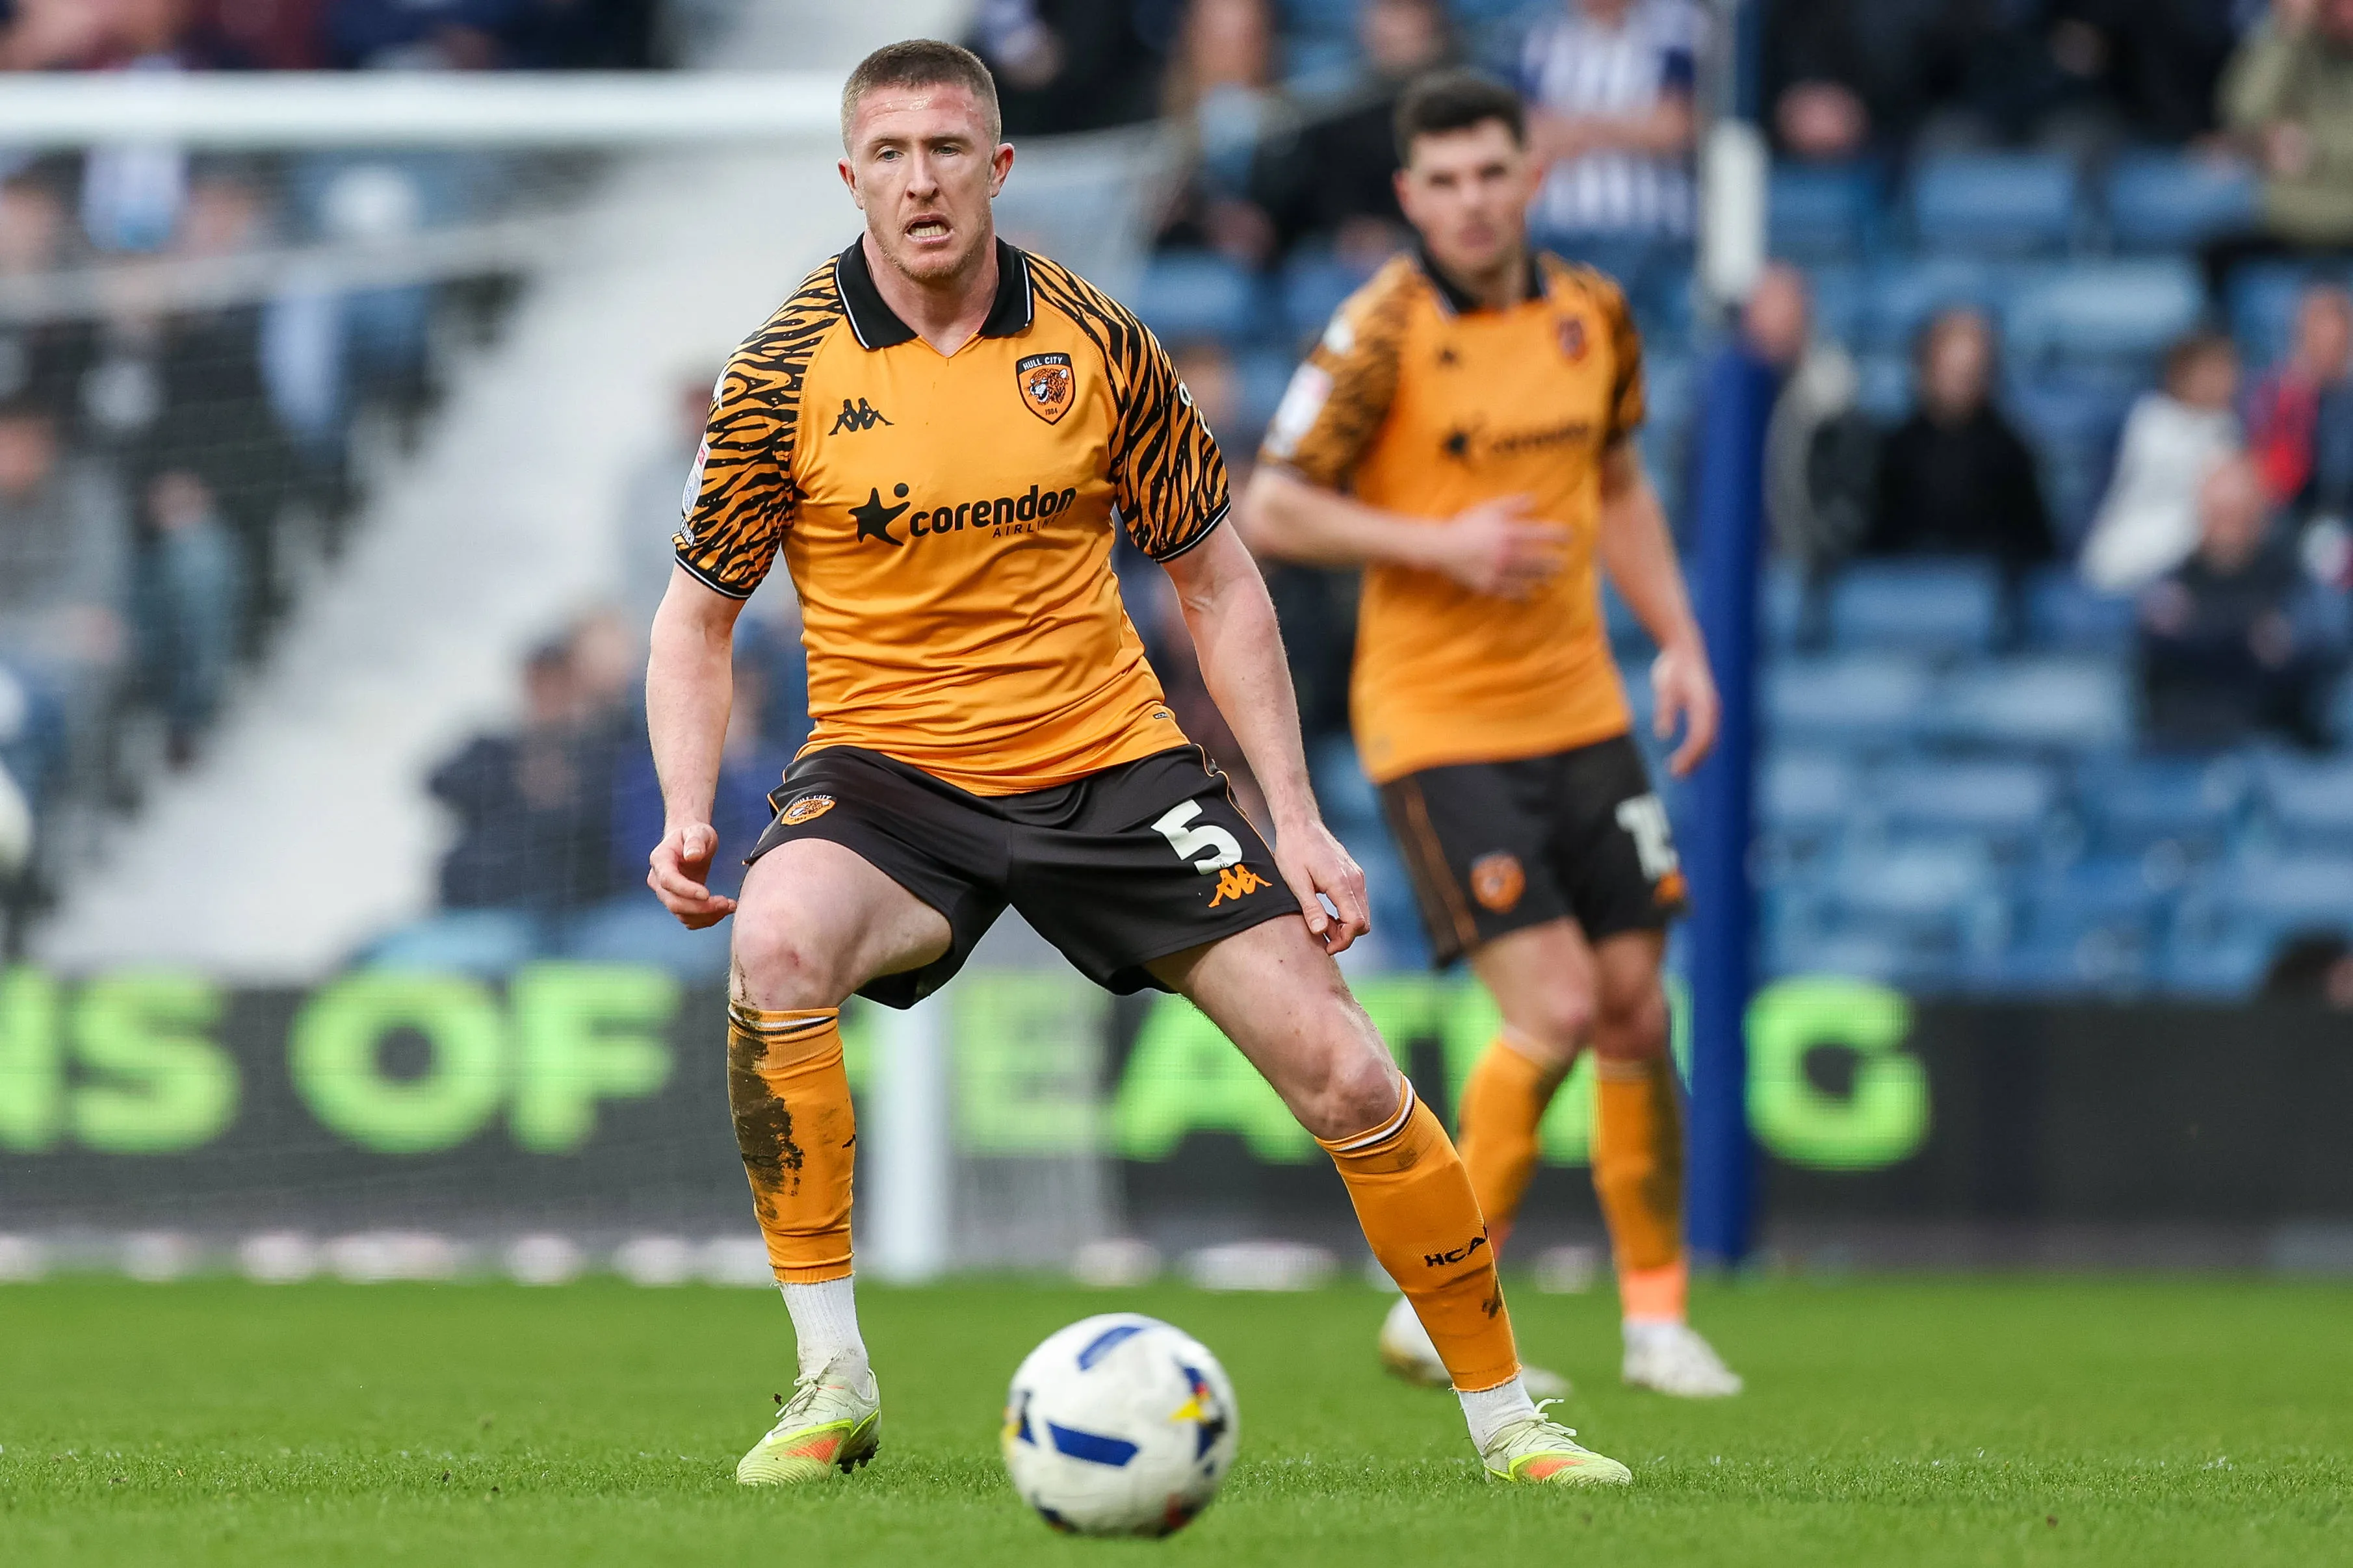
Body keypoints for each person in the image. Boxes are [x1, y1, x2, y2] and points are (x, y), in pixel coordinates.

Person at [645, 41, 1630, 1490]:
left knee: (1344, 1068)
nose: (922, 180)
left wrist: (1292, 816)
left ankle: (1508, 1422)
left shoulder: (1099, 341)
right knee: (777, 945)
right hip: (890, 777)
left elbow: (1220, 584)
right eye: (892, 155)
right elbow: (698, 617)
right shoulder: (782, 368)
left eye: (948, 149)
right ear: (850, 177)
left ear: (999, 168)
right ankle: (830, 1380)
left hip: (1115, 766)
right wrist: (685, 809)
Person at [1243, 69, 1742, 1401]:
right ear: (1411, 197)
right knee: (1561, 1006)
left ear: (1532, 178)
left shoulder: (1594, 316)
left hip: (1580, 708)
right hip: (1439, 724)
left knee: (1638, 1011)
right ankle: (1438, 1299)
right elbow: (1273, 506)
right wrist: (1436, 542)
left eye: (1490, 174)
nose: (1469, 202)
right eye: (1442, 182)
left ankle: (1655, 1320)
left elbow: (1619, 483)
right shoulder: (1378, 333)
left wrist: (1681, 643)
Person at [1518, 0, 1704, 326]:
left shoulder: (1673, 29)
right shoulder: (1539, 36)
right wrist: (1628, 126)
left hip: (1650, 233)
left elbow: (1676, 126)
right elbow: (1525, 135)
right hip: (1556, 230)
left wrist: (1576, 127)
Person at [2140, 454, 2329, 749]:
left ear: (2260, 512)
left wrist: (2197, 626)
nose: (2229, 523)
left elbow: (2296, 657)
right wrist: (2247, 633)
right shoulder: (2172, 579)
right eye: (2220, 511)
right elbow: (2156, 653)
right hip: (2179, 744)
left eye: (2238, 511)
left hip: (2269, 745)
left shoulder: (2292, 581)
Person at [1864, 307, 2054, 568]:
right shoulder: (1895, 453)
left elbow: (2035, 547)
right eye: (1950, 371)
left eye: (1970, 374)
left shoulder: (2010, 455)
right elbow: (1873, 548)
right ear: (1925, 369)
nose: (1959, 384)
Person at [2081, 332, 2242, 594]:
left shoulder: (2228, 429)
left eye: (2229, 371)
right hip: (2127, 556)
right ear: (2181, 375)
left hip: (2189, 571)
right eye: (2214, 371)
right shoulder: (2150, 420)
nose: (2227, 382)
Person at [2222, 0, 2353, 250]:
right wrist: (2287, 30)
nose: (2346, 12)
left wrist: (2309, 147)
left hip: (2317, 211)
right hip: (2274, 198)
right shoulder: (2307, 43)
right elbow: (2243, 110)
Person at [2243, 283, 2352, 513]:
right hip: (2285, 522)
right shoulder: (2268, 393)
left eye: (2338, 318)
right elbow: (2274, 479)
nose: (2330, 332)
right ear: (2298, 327)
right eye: (2319, 319)